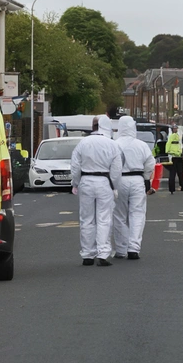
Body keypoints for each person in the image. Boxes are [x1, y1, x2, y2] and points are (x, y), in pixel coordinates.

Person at [70, 114, 122, 267]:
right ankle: (103, 253)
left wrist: (76, 183)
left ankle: (87, 254)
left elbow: (75, 166)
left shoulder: (83, 143)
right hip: (104, 181)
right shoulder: (112, 144)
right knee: (104, 218)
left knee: (87, 219)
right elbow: (116, 169)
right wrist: (114, 186)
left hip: (86, 180)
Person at [113, 116, 156, 260]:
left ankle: (121, 249)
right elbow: (150, 163)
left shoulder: (114, 144)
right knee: (137, 214)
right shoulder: (141, 145)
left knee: (119, 215)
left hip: (120, 180)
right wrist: (146, 179)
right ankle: (133, 248)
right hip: (137, 179)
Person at [165, 123, 183, 194]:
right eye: (174, 128)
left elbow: (168, 145)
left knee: (175, 173)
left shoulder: (172, 136)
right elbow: (180, 144)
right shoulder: (177, 136)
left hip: (175, 156)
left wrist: (167, 153)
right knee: (178, 173)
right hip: (176, 156)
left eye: (175, 128)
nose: (175, 129)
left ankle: (173, 188)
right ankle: (181, 187)